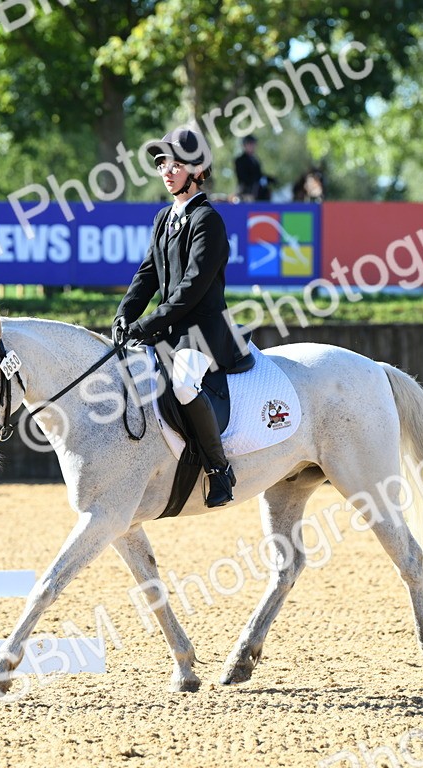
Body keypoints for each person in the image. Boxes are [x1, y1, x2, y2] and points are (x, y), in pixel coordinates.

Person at [114, 127, 240, 508]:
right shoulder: (164, 218)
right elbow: (148, 274)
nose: (166, 170)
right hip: (169, 329)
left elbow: (191, 289)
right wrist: (124, 314)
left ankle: (220, 470)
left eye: (175, 163)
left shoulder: (208, 221)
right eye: (161, 163)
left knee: (184, 384)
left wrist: (144, 326)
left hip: (203, 332)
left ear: (197, 169)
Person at [234, 134, 273, 202]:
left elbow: (259, 174)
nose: (252, 146)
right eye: (249, 144)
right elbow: (242, 177)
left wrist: (269, 179)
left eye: (253, 144)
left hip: (259, 192)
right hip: (246, 192)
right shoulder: (240, 160)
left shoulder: (256, 160)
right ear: (244, 145)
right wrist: (255, 179)